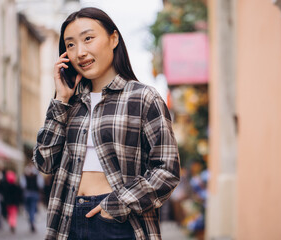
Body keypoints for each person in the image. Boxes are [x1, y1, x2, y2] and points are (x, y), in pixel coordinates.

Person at [32, 7, 180, 240]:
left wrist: (115, 205)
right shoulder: (69, 103)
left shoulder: (143, 98)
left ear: (113, 38)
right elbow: (44, 163)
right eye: (70, 45)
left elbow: (166, 170)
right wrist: (60, 101)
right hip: (66, 220)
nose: (80, 52)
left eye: (88, 39)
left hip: (119, 222)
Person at [20, 163, 44, 233]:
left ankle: (31, 220)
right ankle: (32, 220)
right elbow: (40, 184)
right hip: (34, 193)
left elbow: (22, 185)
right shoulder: (37, 174)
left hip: (27, 193)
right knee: (32, 208)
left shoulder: (24, 174)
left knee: (28, 209)